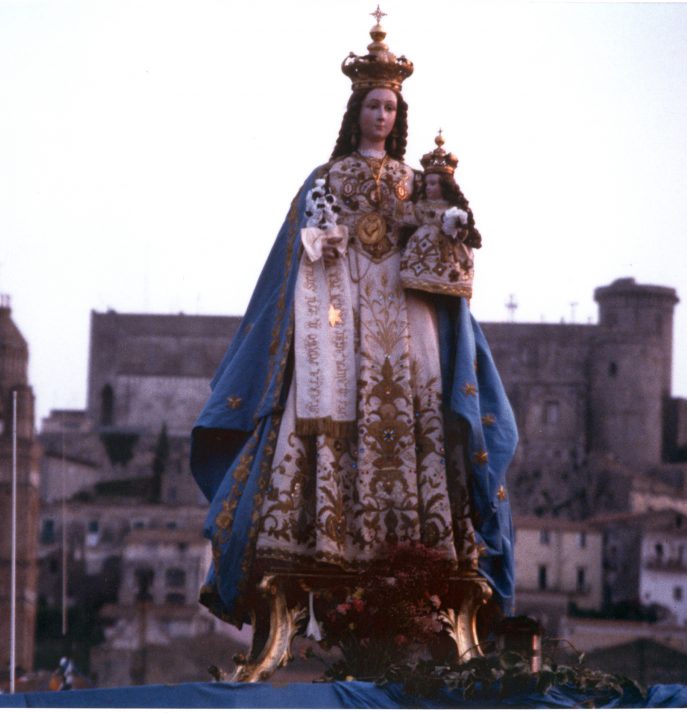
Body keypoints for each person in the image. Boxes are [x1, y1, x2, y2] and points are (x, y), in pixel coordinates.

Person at [190, 14, 517, 629]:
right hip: (338, 327)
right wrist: (324, 237)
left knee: (419, 417)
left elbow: (444, 234)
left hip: (408, 324)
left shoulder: (416, 180)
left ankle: (423, 553)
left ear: (400, 115)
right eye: (373, 106)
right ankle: (324, 539)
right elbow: (301, 250)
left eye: (391, 108)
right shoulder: (325, 179)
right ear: (356, 111)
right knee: (328, 415)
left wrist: (445, 223)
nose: (383, 117)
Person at [399, 132, 482, 298]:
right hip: (420, 256)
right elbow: (409, 217)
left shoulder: (453, 209)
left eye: (433, 184)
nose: (428, 188)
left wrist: (456, 227)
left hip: (446, 254)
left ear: (445, 185)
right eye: (427, 184)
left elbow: (463, 232)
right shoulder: (421, 205)